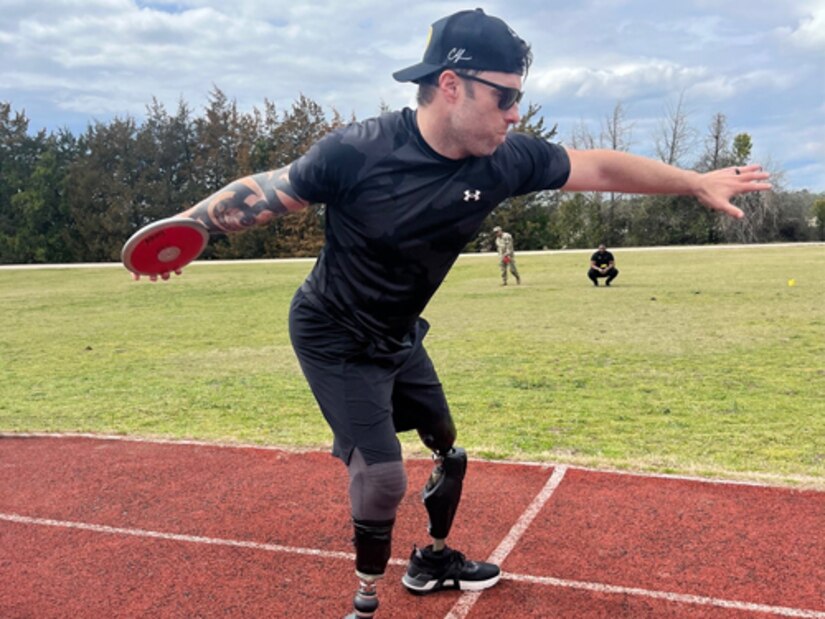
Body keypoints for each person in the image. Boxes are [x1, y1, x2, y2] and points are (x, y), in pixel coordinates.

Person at [135, 9, 771, 618]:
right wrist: (187, 229)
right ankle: (364, 604)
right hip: (334, 335)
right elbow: (267, 192)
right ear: (450, 86)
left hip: (397, 335)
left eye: (519, 97)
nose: (515, 112)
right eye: (503, 96)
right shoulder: (359, 152)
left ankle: (432, 562)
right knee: (383, 479)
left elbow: (598, 164)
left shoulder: (506, 160)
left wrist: (693, 181)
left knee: (449, 449)